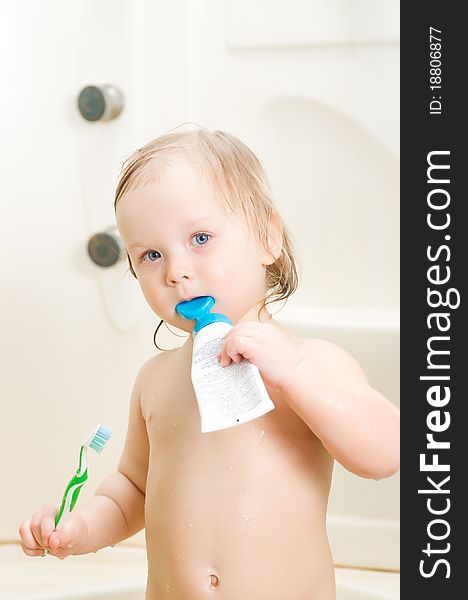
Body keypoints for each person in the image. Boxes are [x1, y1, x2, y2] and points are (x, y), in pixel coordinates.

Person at [19, 126, 400, 599]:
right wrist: (80, 530)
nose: (176, 271)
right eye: (151, 255)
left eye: (200, 238)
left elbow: (386, 454)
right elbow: (133, 490)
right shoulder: (156, 381)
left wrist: (295, 375)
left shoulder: (311, 363)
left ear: (267, 238)